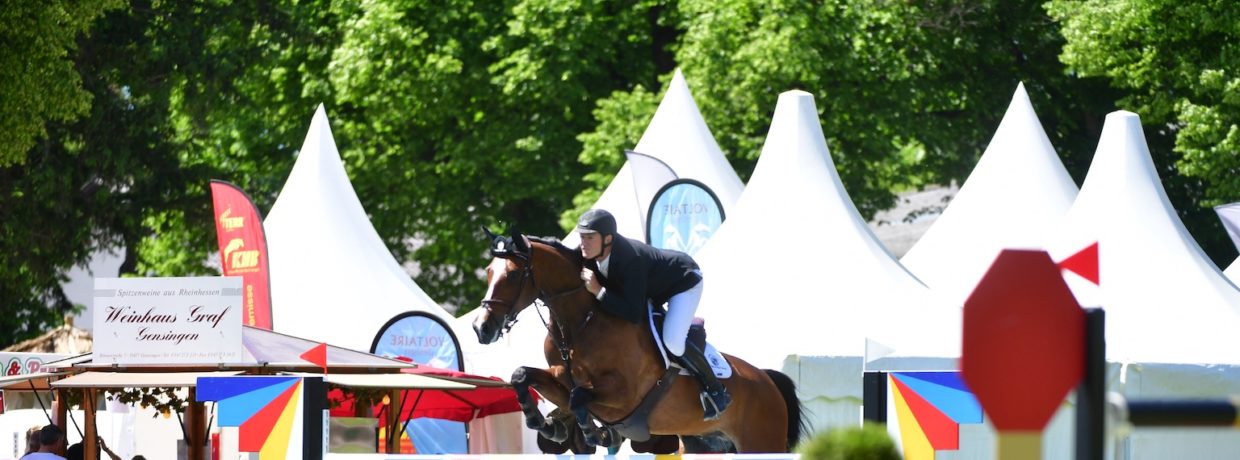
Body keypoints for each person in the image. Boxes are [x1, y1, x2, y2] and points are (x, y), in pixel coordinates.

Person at [576, 208, 731, 420]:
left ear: (608, 238)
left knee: (673, 341)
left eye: (589, 237)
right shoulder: (592, 250)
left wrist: (599, 291)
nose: (583, 243)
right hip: (651, 289)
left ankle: (715, 390)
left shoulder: (631, 259)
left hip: (684, 281)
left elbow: (632, 312)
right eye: (582, 237)